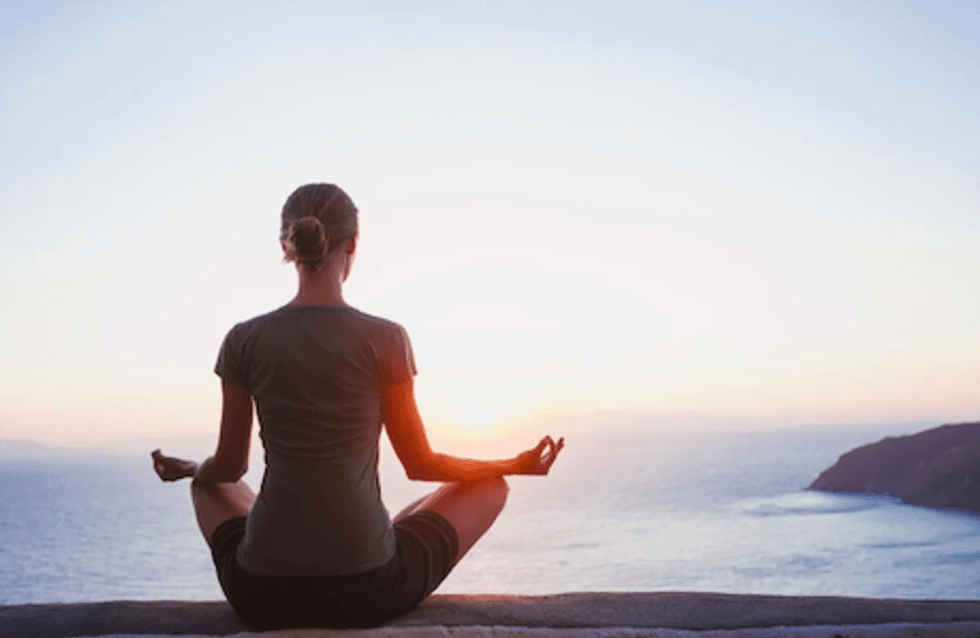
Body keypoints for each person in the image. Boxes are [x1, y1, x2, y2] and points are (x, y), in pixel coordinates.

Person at [151, 183, 564, 630]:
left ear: (285, 246)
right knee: (492, 485)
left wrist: (191, 468)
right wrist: (514, 463)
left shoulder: (244, 339)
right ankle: (379, 533)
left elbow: (230, 467)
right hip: (366, 590)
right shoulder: (385, 338)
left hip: (262, 592)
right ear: (353, 245)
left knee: (207, 484)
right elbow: (421, 464)